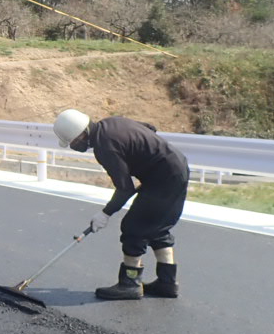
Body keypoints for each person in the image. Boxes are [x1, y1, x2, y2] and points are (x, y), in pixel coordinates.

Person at [53, 109, 189, 300]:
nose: (73, 147)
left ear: (81, 134)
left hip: (163, 179)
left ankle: (130, 283)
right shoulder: (111, 123)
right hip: (176, 168)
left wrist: (105, 213)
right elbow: (150, 128)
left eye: (72, 143)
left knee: (134, 227)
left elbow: (125, 188)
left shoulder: (104, 147)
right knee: (156, 228)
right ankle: (167, 282)